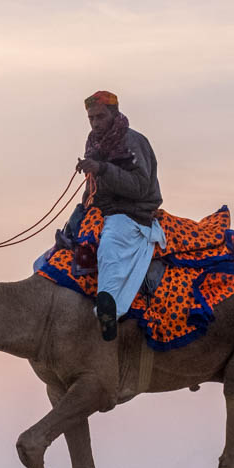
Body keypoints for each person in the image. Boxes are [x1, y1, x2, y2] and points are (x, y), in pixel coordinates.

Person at [75, 90, 164, 341]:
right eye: (91, 118)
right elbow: (95, 183)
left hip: (131, 214)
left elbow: (140, 186)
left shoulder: (132, 142)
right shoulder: (94, 142)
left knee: (110, 247)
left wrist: (102, 169)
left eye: (100, 117)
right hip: (102, 211)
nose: (95, 123)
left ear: (113, 114)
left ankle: (109, 312)